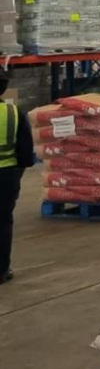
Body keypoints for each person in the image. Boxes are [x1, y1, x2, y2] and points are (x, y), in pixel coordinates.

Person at [0, 69, 34, 283]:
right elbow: (26, 155)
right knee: (3, 222)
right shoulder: (14, 113)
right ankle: (2, 270)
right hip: (6, 176)